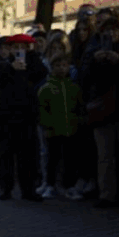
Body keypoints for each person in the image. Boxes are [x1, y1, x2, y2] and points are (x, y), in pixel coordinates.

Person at [0, 34, 47, 201]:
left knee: (28, 154)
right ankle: (5, 188)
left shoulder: (33, 62)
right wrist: (11, 68)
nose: (19, 50)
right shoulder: (2, 64)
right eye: (16, 47)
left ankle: (29, 189)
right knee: (6, 154)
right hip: (6, 116)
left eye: (23, 47)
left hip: (27, 115)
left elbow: (42, 73)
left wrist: (32, 56)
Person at [80, 12, 119, 208]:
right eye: (107, 31)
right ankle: (107, 194)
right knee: (105, 156)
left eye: (114, 30)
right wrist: (95, 61)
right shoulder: (93, 49)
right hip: (102, 110)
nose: (111, 34)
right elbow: (85, 78)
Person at [38, 53, 84, 200]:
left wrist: (77, 121)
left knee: (71, 159)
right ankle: (50, 185)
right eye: (58, 66)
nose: (61, 68)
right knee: (53, 159)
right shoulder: (47, 88)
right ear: (52, 68)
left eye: (64, 65)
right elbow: (42, 109)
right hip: (53, 130)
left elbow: (79, 107)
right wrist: (47, 125)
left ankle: (70, 186)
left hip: (71, 129)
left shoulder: (74, 88)